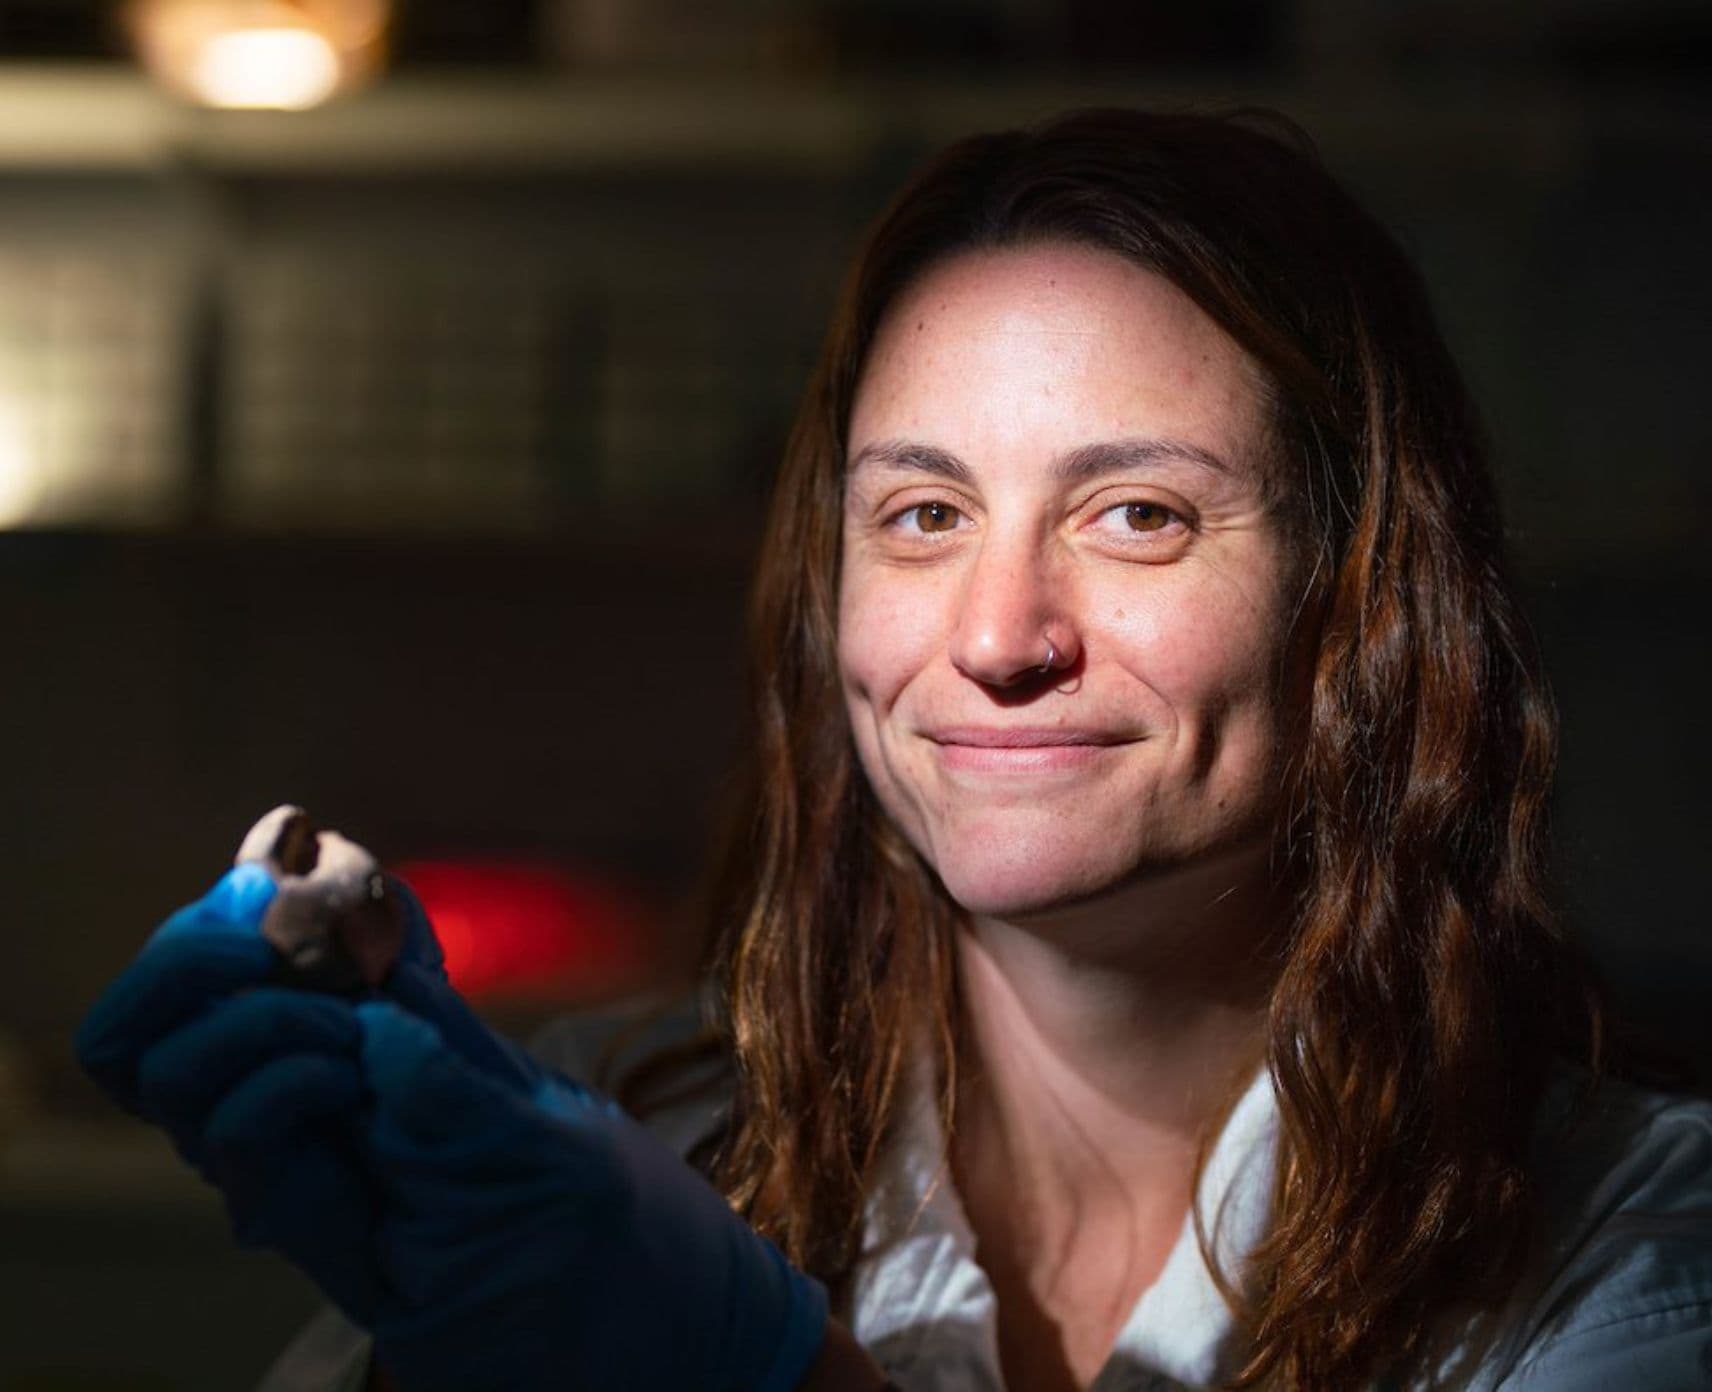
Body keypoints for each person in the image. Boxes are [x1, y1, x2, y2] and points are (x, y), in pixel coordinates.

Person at [76, 108, 1712, 1392]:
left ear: (1363, 596)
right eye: (923, 516)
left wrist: (755, 1373)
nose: (997, 636)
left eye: (1135, 515)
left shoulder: (1631, 1252)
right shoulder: (620, 1148)